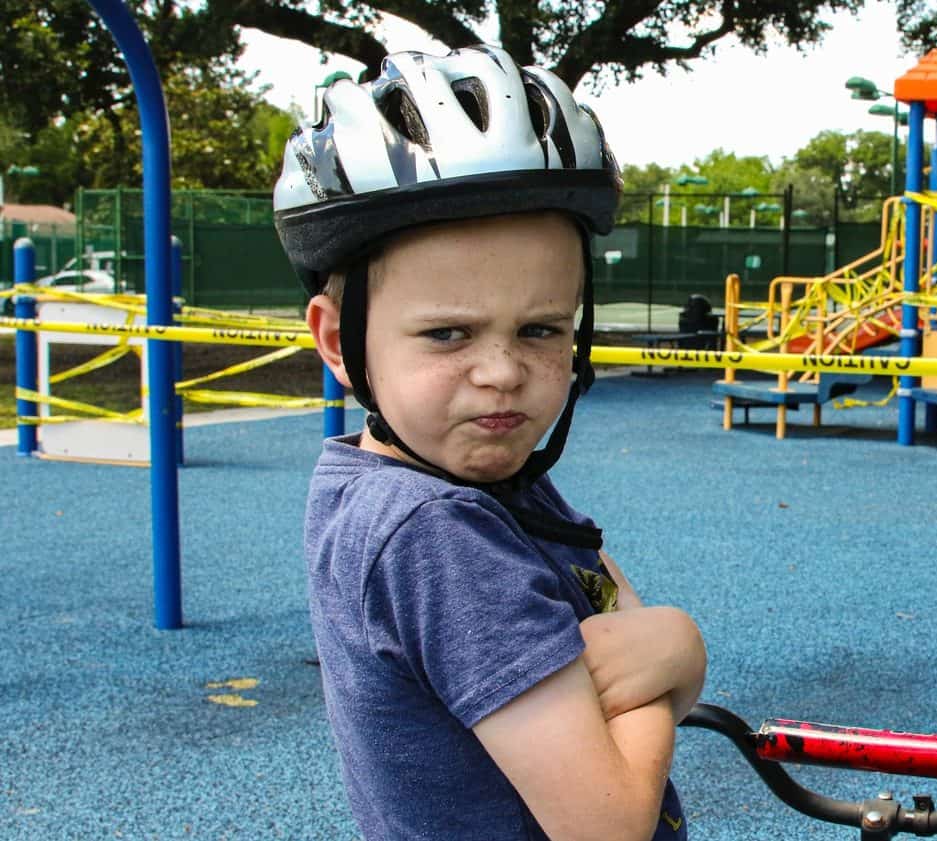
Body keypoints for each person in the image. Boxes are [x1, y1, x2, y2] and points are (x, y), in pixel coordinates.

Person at [273, 45, 706, 841]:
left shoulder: (483, 473)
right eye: (448, 334)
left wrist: (652, 652)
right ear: (339, 340)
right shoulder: (436, 531)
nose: (503, 373)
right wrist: (678, 654)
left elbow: (612, 616)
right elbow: (604, 823)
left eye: (541, 328)